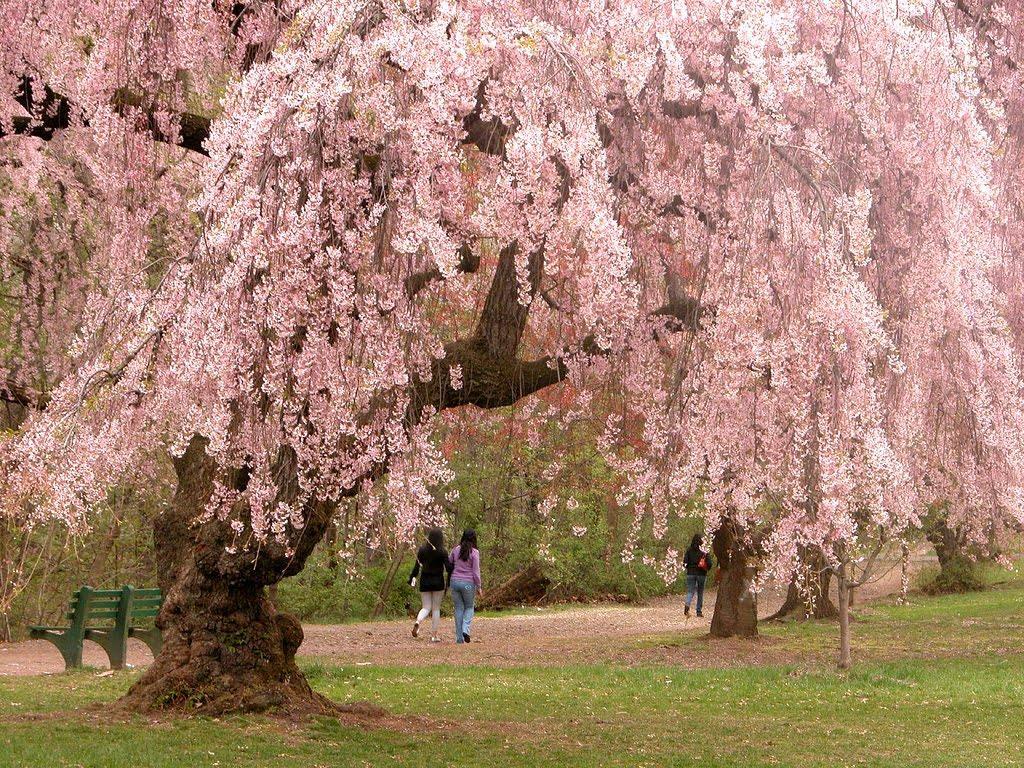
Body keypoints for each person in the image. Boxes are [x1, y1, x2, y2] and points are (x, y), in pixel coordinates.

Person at [409, 528, 452, 642]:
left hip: (425, 581)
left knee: (425, 607)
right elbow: (448, 568)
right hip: (438, 582)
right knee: (436, 609)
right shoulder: (442, 551)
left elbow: (416, 567)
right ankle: (434, 636)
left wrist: (412, 578)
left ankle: (418, 621)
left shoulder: (422, 550)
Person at [449, 528, 482, 644]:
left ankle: (459, 638)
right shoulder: (474, 552)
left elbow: (449, 563)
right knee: (469, 607)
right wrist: (479, 586)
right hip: (468, 584)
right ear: (474, 538)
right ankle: (465, 629)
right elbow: (476, 572)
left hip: (454, 583)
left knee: (458, 608)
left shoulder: (455, 550)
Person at [683, 533, 713, 618]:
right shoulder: (704, 551)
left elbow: (684, 562)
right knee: (700, 592)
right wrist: (707, 568)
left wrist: (689, 567)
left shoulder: (689, 550)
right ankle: (699, 611)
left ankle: (687, 605)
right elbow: (710, 563)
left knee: (690, 591)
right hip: (701, 574)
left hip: (690, 573)